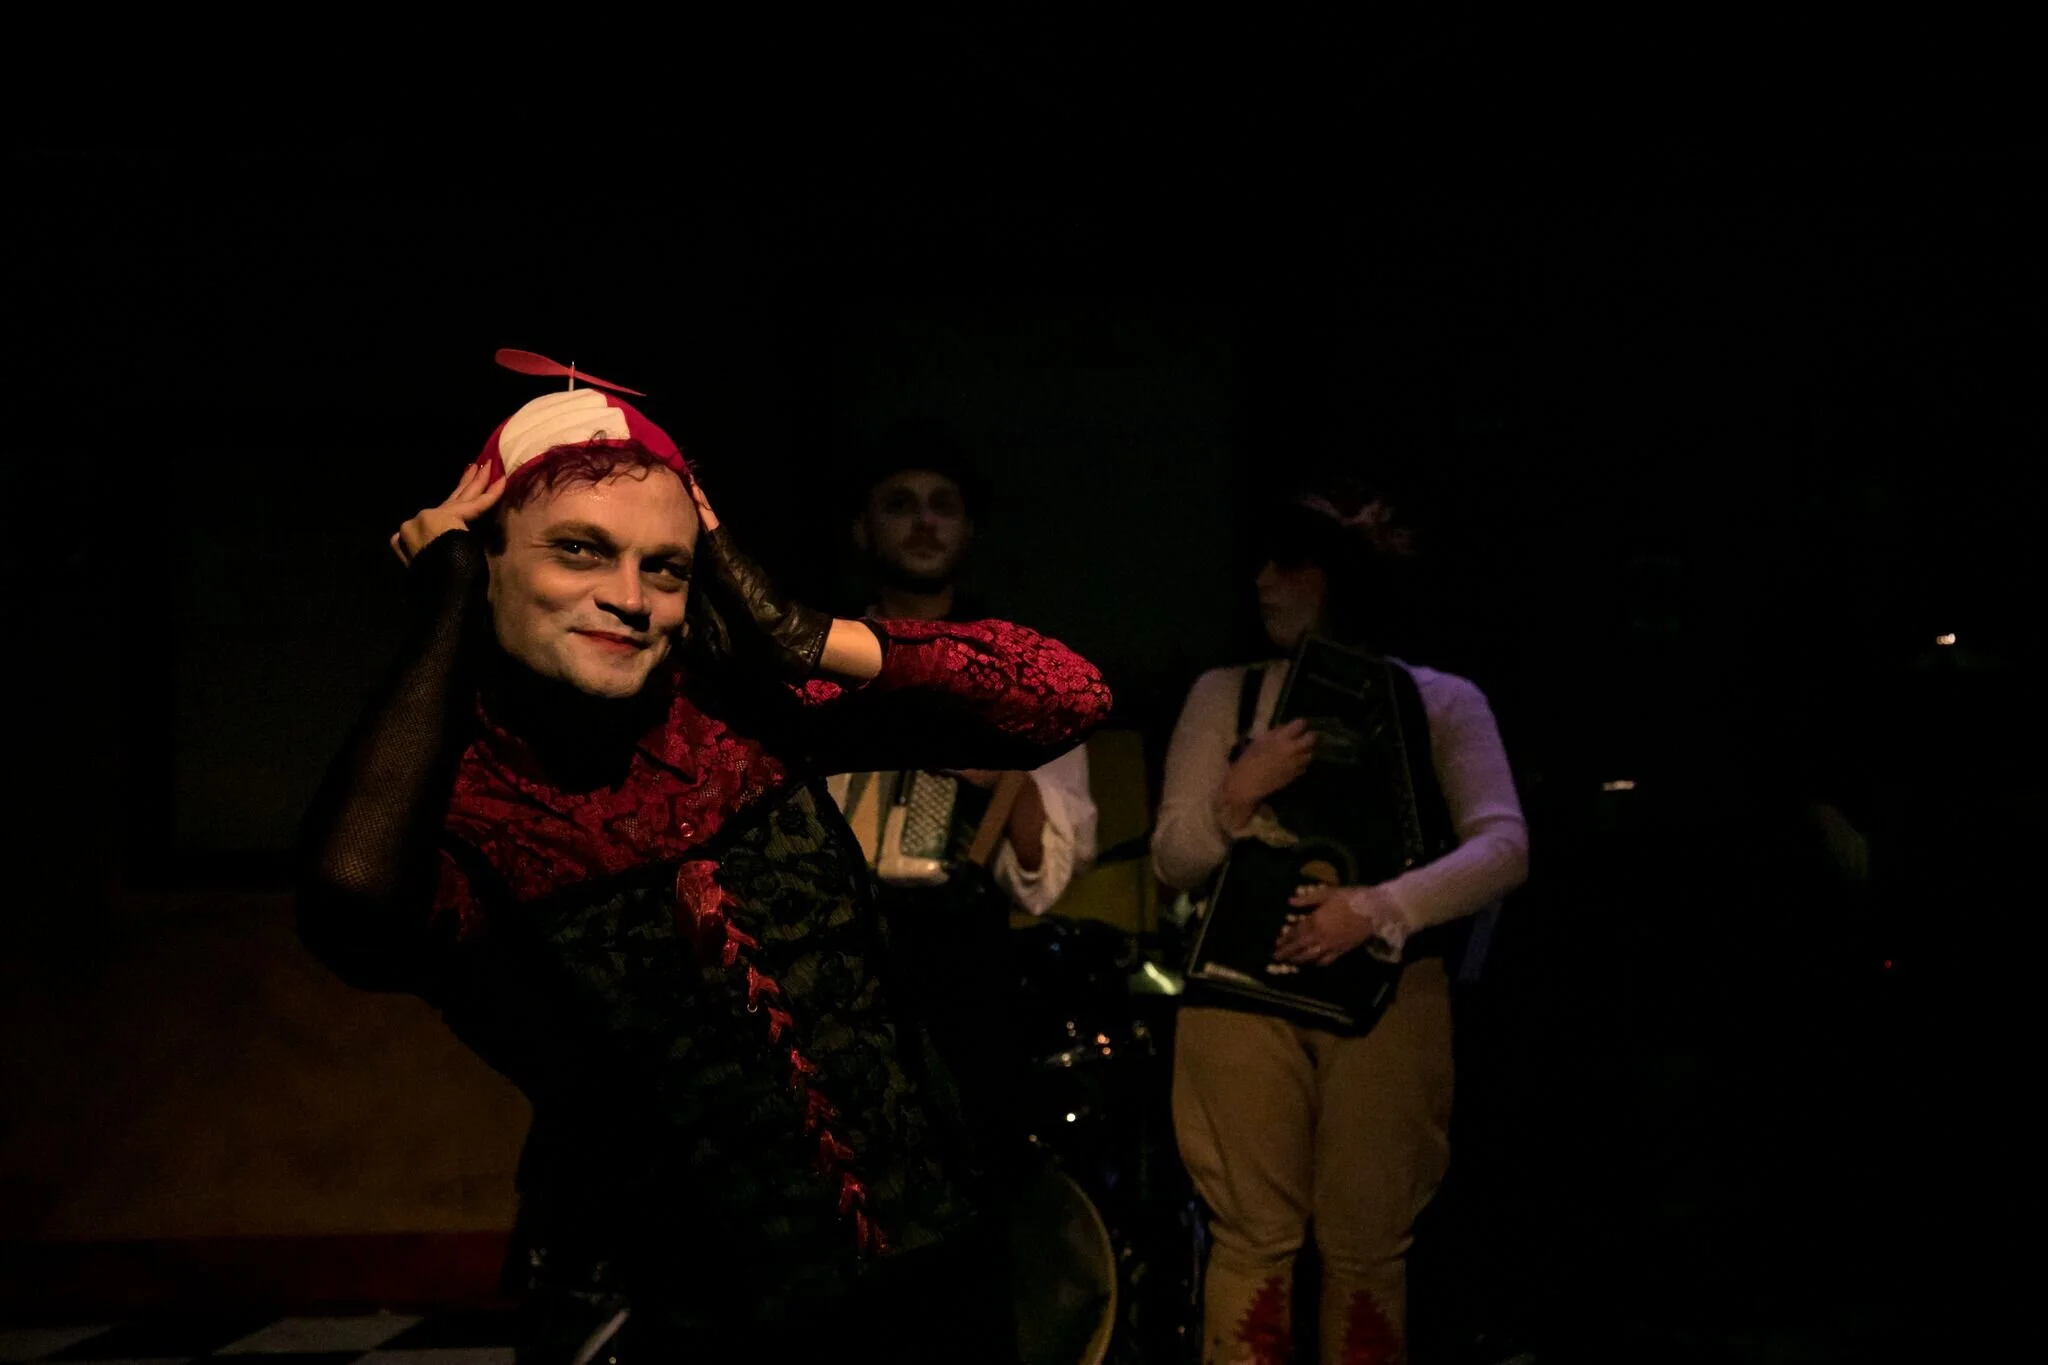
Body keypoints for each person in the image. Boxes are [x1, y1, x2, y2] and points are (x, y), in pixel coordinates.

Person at [297, 357, 1111, 1363]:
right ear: (487, 556)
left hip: (946, 1288)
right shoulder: (469, 804)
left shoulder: (737, 711)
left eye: (667, 568)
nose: (629, 598)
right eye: (579, 551)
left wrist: (792, 629)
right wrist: (446, 608)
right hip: (705, 1323)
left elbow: (1065, 697)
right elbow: (347, 907)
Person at [1151, 480, 1527, 1365]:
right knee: (1252, 1238)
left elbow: (1504, 845)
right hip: (1242, 993)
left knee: (1367, 1247)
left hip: (1387, 992)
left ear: (1341, 576)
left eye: (1289, 564)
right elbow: (1172, 858)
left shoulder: (1438, 699)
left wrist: (1379, 907)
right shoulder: (1228, 694)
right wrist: (1236, 794)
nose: (1264, 582)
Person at [825, 427, 1098, 1157]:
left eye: (942, 505)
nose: (923, 522)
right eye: (900, 504)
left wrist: (1000, 769)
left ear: (969, 529)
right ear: (863, 527)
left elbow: (1047, 875)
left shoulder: (1022, 668)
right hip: (839, 965)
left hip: (965, 976)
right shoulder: (817, 657)